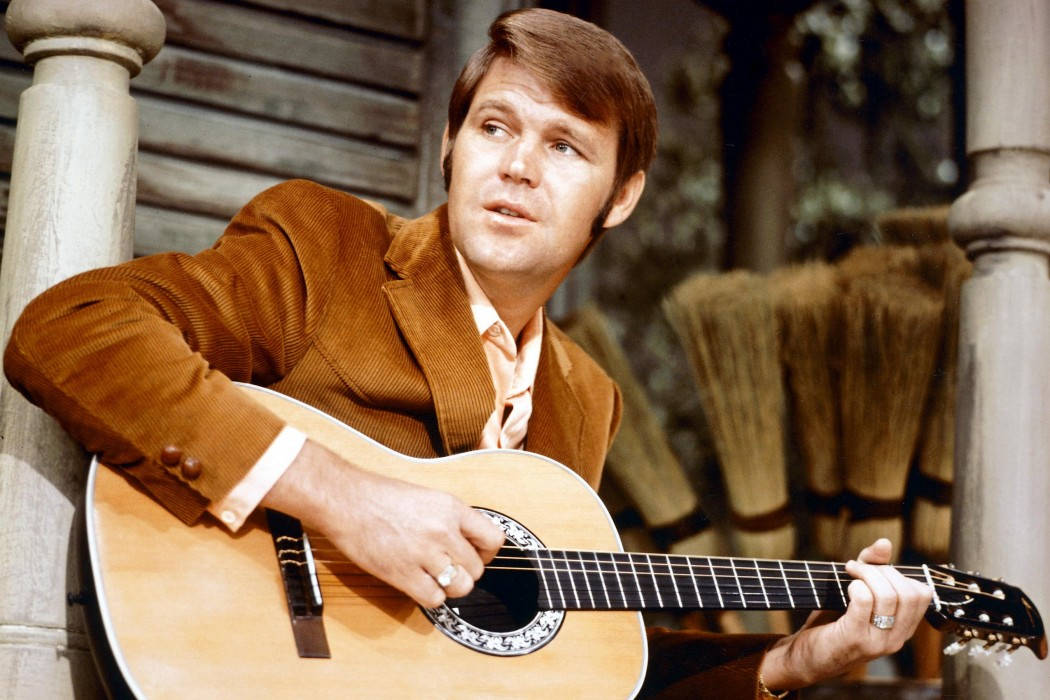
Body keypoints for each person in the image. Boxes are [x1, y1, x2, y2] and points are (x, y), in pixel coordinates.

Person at [3, 8, 931, 698]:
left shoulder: (585, 395)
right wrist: (341, 496)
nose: (518, 165)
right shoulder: (326, 247)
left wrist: (794, 658)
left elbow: (576, 660)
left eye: (565, 146)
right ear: (450, 144)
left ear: (622, 197)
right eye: (495, 127)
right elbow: (71, 326)